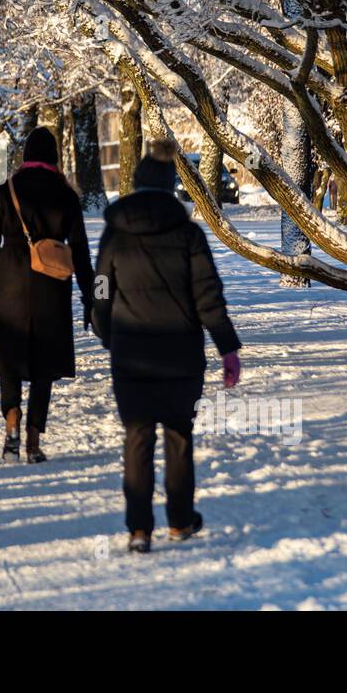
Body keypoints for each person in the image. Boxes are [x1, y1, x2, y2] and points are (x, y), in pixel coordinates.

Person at [91, 140, 242, 553]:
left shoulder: (115, 232)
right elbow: (208, 293)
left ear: (137, 186)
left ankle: (139, 529)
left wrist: (106, 331)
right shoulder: (188, 234)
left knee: (137, 437)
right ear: (171, 187)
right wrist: (227, 348)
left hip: (131, 353)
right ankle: (178, 521)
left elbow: (101, 287)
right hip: (181, 356)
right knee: (179, 435)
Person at [0, 127, 95, 464]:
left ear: (26, 156)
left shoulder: (6, 190)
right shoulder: (66, 194)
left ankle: (11, 421)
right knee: (44, 364)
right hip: (51, 285)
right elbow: (81, 251)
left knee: (10, 358)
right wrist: (90, 297)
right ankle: (33, 440)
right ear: (53, 157)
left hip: (9, 281)